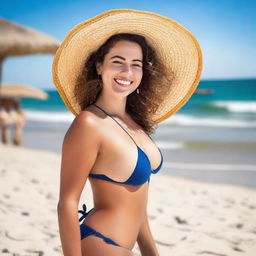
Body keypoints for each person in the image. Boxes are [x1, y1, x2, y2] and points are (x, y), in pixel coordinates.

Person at [52, 9, 202, 256]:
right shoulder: (89, 124)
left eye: (136, 65)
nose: (127, 73)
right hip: (99, 244)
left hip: (126, 249)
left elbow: (137, 202)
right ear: (99, 66)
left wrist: (151, 252)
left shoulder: (135, 123)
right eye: (117, 62)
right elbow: (67, 203)